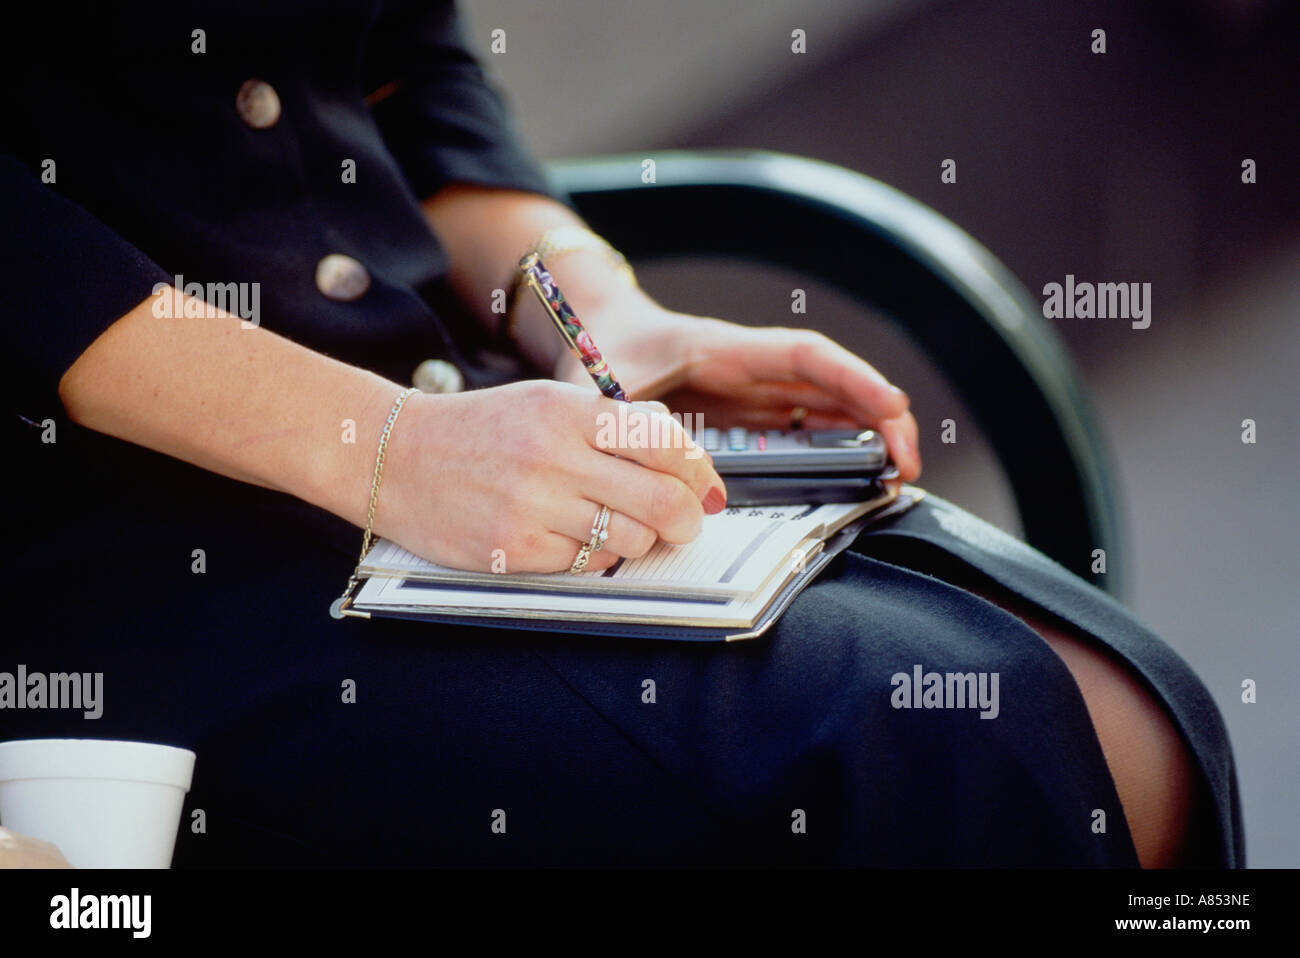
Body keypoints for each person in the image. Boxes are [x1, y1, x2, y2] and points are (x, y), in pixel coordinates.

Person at [2, 1, 1242, 867]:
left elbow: (401, 68)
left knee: (1125, 712)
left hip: (453, 399)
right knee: (952, 741)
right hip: (107, 551)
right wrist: (376, 447)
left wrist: (599, 317)